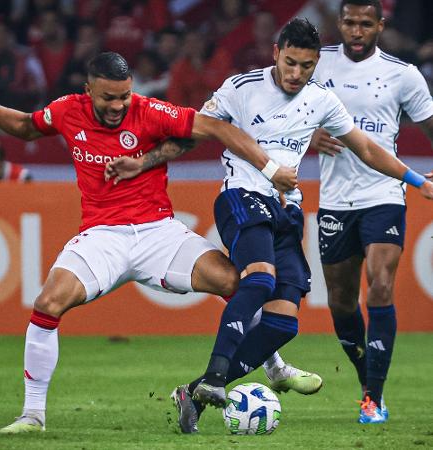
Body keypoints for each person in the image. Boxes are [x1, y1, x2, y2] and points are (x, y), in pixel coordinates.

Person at [105, 18, 433, 433]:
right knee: (258, 282)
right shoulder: (241, 88)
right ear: (276, 52)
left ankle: (195, 390)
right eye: (291, 62)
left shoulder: (323, 100)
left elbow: (366, 147)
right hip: (241, 196)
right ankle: (218, 376)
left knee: (283, 321)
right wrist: (143, 161)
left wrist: (417, 180)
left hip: (286, 211)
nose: (297, 74)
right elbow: (193, 133)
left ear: (316, 64)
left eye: (307, 66)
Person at [0, 51, 299, 434]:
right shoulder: (68, 110)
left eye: (124, 96)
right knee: (48, 303)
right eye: (108, 98)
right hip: (103, 236)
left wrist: (269, 169)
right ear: (88, 91)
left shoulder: (152, 111)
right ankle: (33, 415)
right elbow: (23, 126)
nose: (118, 106)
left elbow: (218, 129)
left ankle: (274, 365)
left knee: (237, 283)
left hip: (159, 233)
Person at [309, 0, 433, 424]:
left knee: (379, 287)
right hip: (334, 200)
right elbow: (279, 116)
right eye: (349, 23)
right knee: (342, 301)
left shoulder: (404, 75)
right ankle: (367, 382)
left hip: (384, 194)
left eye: (365, 23)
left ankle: (373, 399)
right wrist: (311, 136)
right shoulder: (316, 64)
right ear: (338, 23)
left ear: (380, 25)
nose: (356, 31)